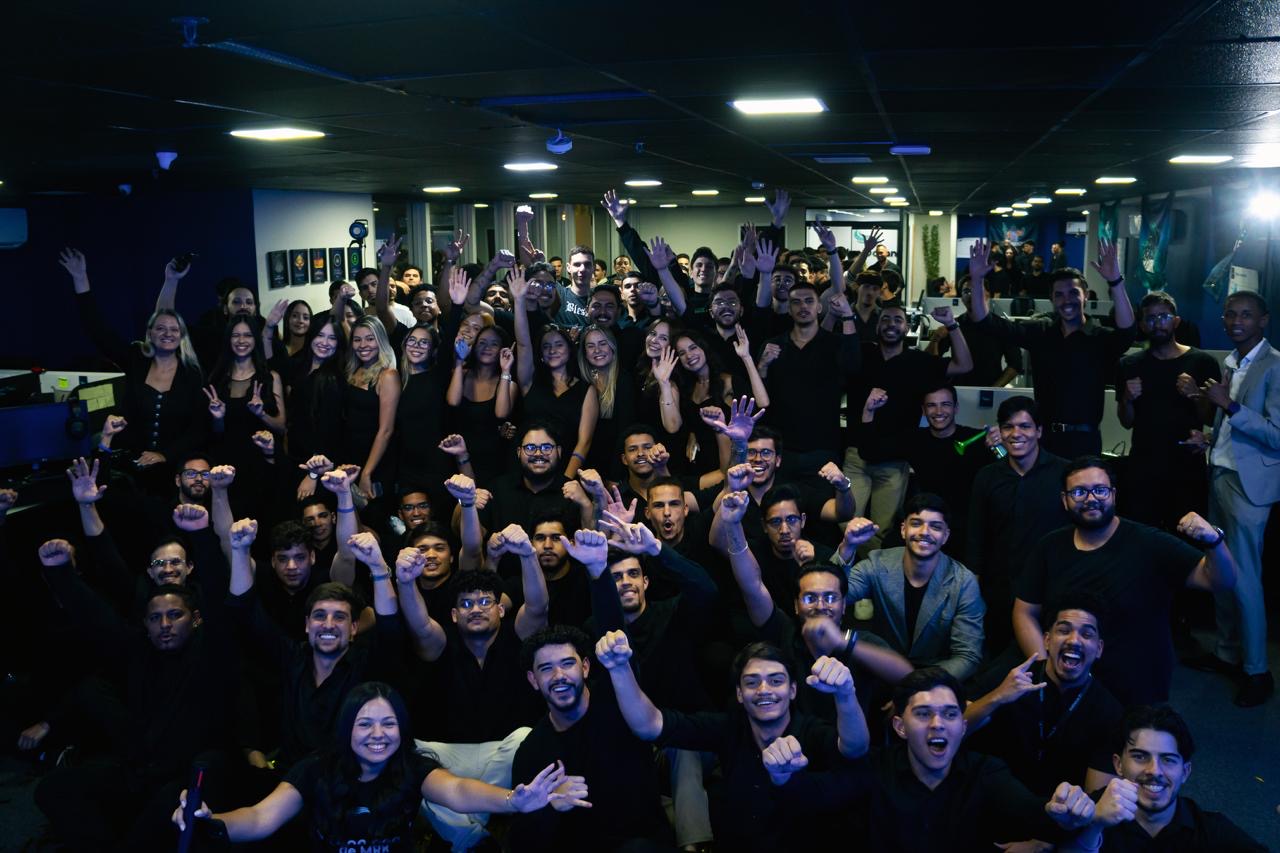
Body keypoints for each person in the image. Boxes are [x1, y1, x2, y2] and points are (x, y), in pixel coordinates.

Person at [33, 504, 238, 851]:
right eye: (156, 618)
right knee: (53, 789)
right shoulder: (140, 650)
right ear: (145, 624)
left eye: (175, 615)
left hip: (187, 775)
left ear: (195, 619)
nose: (165, 625)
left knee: (145, 834)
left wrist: (202, 535)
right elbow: (97, 618)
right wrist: (60, 571)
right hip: (139, 768)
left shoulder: (211, 651)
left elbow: (219, 597)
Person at [173, 681, 582, 849]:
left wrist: (514, 800)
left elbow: (457, 791)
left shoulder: (413, 766)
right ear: (346, 728)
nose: (378, 734)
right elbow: (260, 818)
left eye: (389, 724)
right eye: (364, 724)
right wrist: (212, 821)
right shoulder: (315, 769)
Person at [771, 667, 1104, 852]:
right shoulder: (876, 768)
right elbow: (816, 796)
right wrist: (783, 774)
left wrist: (1066, 812)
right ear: (900, 727)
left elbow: (1036, 814)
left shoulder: (985, 772)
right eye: (923, 713)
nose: (937, 723)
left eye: (949, 714)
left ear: (962, 726)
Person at [600, 632, 870, 853]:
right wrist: (619, 668)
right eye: (752, 683)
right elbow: (649, 725)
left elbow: (856, 748)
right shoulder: (729, 727)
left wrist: (845, 693)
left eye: (775, 681)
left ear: (793, 690)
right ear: (740, 694)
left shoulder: (811, 731)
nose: (763, 690)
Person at [1013, 456, 1238, 706]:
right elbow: (1024, 612)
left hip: (1136, 687)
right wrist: (1046, 668)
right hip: (1069, 682)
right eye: (1079, 492)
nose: (1090, 498)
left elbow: (1221, 581)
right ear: (1065, 500)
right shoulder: (1049, 547)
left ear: (1113, 495)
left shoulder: (1150, 543)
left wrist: (1214, 541)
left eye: (1100, 490)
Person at [511, 614, 674, 852]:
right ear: (533, 680)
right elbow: (521, 839)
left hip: (644, 842)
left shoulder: (621, 705)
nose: (559, 676)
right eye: (546, 669)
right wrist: (550, 805)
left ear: (585, 667)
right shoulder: (532, 751)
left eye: (567, 664)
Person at [966, 238, 1136, 457]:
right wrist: (977, 278)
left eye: (1073, 293)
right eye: (1059, 295)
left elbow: (1127, 333)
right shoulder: (1041, 333)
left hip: (1086, 442)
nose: (1067, 300)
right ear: (1052, 299)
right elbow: (985, 322)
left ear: (1085, 295)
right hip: (1045, 442)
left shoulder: (1099, 337)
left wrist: (1116, 282)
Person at [62, 248, 208, 494]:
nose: (167, 333)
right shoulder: (136, 359)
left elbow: (198, 428)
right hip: (130, 470)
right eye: (160, 328)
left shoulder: (192, 373)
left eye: (174, 330)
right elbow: (99, 332)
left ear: (182, 336)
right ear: (149, 333)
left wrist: (164, 454)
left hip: (173, 470)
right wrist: (81, 279)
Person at [1194, 290, 1280, 707]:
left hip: (1248, 488)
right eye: (1230, 315)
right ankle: (1227, 653)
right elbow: (1232, 430)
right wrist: (1209, 439)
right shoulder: (1231, 362)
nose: (1236, 321)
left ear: (1263, 320)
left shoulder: (1275, 366)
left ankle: (1257, 671)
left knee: (1245, 580)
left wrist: (1228, 405)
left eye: (1246, 315)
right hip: (1220, 473)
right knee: (1221, 572)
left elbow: (1276, 435)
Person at [964, 592, 1123, 797]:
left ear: (1099, 649)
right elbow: (954, 731)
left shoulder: (1109, 711)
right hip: (993, 799)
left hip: (1060, 810)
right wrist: (998, 697)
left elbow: (1096, 797)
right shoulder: (1011, 677)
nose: (1074, 640)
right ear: (1047, 640)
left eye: (1086, 634)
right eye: (1064, 630)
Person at [847, 303, 972, 549]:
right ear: (876, 326)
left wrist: (951, 325)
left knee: (881, 530)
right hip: (856, 455)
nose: (891, 324)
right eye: (885, 319)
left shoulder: (918, 361)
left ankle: (870, 570)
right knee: (846, 523)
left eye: (898, 320)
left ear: (907, 328)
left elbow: (964, 365)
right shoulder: (862, 353)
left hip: (895, 458)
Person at [1070, 705, 1268, 851]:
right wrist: (1094, 824)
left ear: (1185, 772)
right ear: (1118, 764)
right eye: (1140, 757)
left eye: (1168, 760)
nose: (1154, 771)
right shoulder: (1087, 811)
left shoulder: (1211, 831)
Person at [834, 495, 986, 681]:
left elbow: (968, 656)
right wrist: (848, 546)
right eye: (916, 523)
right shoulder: (877, 563)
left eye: (935, 527)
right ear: (903, 529)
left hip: (937, 675)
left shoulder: (963, 582)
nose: (924, 532)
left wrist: (919, 684)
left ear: (945, 536)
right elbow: (835, 595)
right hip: (882, 668)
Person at [967, 396, 1071, 655]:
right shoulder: (987, 477)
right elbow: (976, 535)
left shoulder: (1064, 474)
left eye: (1025, 426)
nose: (1016, 434)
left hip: (1050, 587)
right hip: (999, 588)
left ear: (1039, 431)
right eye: (1008, 427)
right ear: (1000, 432)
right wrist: (972, 589)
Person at [1115, 291, 1221, 529]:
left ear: (1176, 321)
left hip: (1187, 467)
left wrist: (1195, 394)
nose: (1157, 323)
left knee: (1188, 537)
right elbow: (1126, 421)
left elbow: (1212, 419)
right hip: (1143, 465)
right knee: (1143, 535)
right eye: (1150, 318)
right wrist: (1127, 400)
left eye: (1163, 317)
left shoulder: (1203, 362)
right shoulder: (1129, 364)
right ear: (1142, 324)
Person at [759, 278, 861, 478]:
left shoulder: (835, 343)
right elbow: (760, 397)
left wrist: (847, 315)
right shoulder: (773, 346)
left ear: (819, 307)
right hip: (783, 448)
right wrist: (762, 366)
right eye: (796, 302)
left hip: (824, 446)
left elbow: (854, 367)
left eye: (809, 301)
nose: (803, 306)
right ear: (789, 309)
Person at [512, 268, 599, 478]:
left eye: (559, 345)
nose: (552, 350)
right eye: (546, 346)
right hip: (526, 469)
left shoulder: (585, 390)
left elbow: (584, 442)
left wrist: (565, 480)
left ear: (569, 350)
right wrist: (519, 301)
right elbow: (523, 343)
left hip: (568, 472)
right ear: (540, 355)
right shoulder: (530, 381)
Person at [345, 315, 401, 502]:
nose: (363, 345)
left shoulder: (388, 375)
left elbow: (386, 430)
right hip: (351, 456)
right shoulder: (352, 371)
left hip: (376, 462)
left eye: (370, 339)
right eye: (357, 339)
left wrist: (367, 472)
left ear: (380, 341)